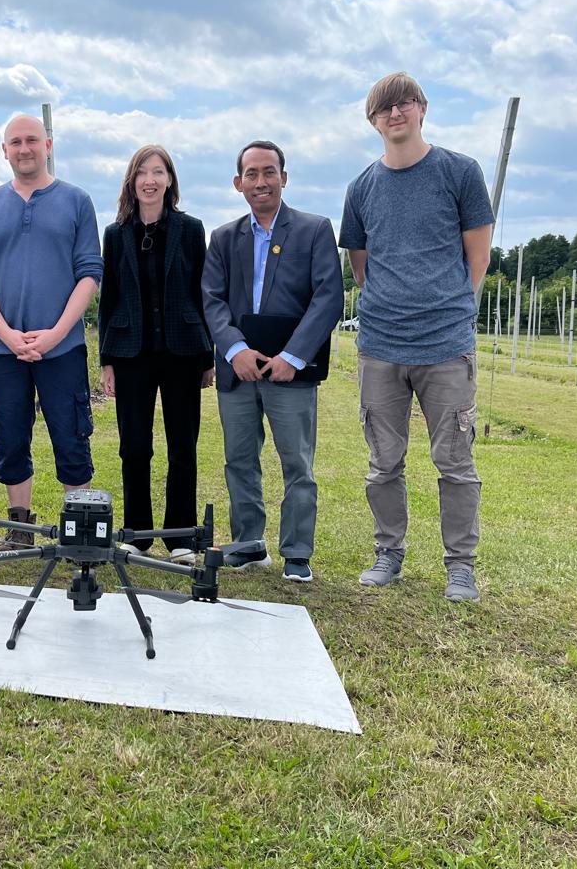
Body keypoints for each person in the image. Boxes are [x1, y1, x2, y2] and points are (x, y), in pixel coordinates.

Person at [339, 71, 494, 602]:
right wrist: (393, 307)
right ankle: (389, 553)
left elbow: (479, 256)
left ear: (422, 108)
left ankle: (461, 565)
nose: (395, 113)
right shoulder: (361, 188)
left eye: (404, 103)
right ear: (374, 120)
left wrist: (450, 309)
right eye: (385, 108)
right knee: (384, 462)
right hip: (381, 346)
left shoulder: (459, 173)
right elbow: (362, 268)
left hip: (446, 346)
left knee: (455, 461)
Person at [202, 140, 343, 582]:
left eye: (269, 172)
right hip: (239, 371)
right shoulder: (223, 238)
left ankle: (297, 552)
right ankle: (248, 544)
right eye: (251, 174)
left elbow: (328, 297)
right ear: (238, 182)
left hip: (291, 374)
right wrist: (235, 349)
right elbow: (211, 300)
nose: (260, 182)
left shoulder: (315, 230)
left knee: (297, 463)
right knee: (239, 459)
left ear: (284, 177)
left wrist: (294, 356)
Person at [0, 114, 103, 542]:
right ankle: (19, 523)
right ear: (4, 150)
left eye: (32, 140)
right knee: (9, 435)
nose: (24, 149)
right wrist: (5, 332)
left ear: (48, 145)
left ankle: (77, 525)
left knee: (71, 434)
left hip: (62, 348)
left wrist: (57, 332)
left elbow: (89, 273)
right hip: (3, 349)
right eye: (15, 142)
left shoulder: (77, 200)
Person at [98, 145, 214, 563]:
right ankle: (138, 534)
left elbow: (204, 294)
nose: (150, 180)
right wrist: (106, 360)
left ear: (170, 180)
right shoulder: (115, 234)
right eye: (142, 172)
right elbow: (108, 299)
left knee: (183, 445)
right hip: (131, 354)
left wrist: (208, 357)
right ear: (132, 181)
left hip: (183, 351)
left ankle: (181, 537)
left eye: (158, 172)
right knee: (134, 446)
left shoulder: (191, 229)